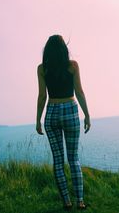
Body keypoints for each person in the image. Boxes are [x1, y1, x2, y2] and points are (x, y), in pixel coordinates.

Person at [36, 34, 91, 211]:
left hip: (51, 113)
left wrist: (38, 119)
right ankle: (80, 201)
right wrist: (87, 115)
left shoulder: (42, 69)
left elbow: (42, 96)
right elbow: (80, 92)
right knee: (73, 159)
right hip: (69, 111)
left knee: (58, 161)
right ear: (64, 50)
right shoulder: (73, 66)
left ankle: (66, 201)